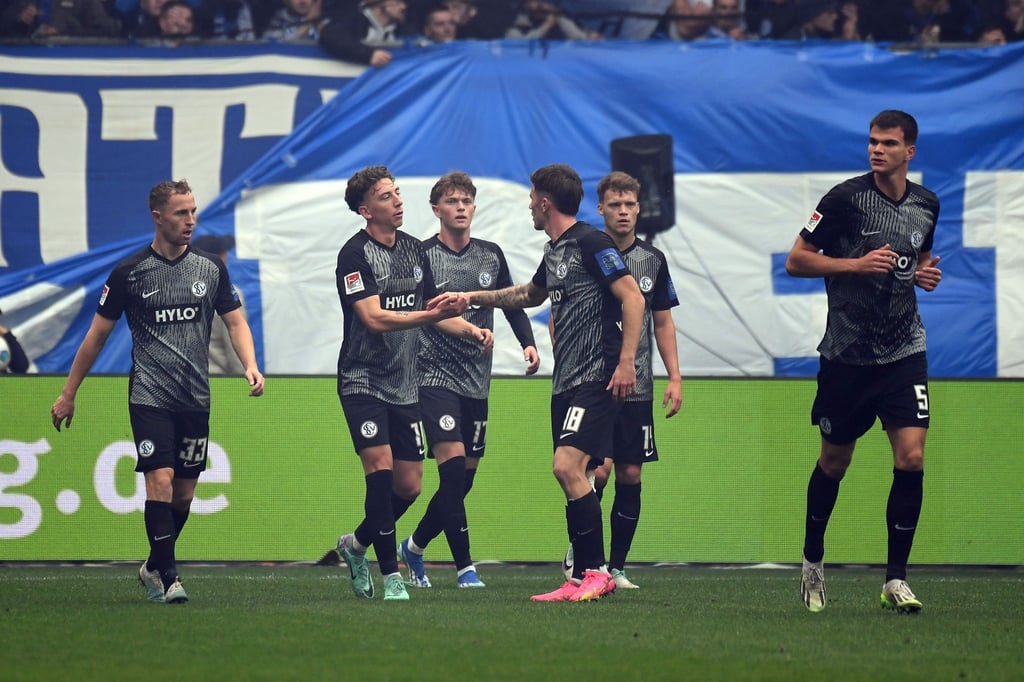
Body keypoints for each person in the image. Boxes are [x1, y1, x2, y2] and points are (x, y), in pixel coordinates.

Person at [50, 179, 265, 605]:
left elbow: (236, 321)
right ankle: (169, 577)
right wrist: (69, 392)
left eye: (193, 212)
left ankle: (152, 564)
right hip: (149, 394)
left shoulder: (211, 268)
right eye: (181, 213)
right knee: (160, 482)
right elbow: (95, 336)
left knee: (184, 493)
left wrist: (251, 365)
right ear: (158, 217)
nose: (190, 221)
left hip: (195, 398)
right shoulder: (130, 273)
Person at [464, 164, 645, 602]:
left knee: (566, 466)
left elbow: (634, 297)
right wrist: (471, 297)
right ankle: (581, 578)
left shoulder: (591, 242)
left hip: (597, 376)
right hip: (565, 381)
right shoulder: (555, 251)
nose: (528, 204)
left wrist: (626, 364)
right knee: (574, 474)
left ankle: (597, 572)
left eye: (531, 197)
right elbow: (529, 295)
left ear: (545, 202)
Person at [785, 110, 942, 614]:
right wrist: (853, 262)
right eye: (873, 142)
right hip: (848, 356)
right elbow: (795, 260)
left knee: (912, 457)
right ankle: (812, 563)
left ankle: (896, 579)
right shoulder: (844, 200)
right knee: (835, 461)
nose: (877, 150)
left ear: (909, 152)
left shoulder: (926, 204)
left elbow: (915, 259)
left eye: (889, 143)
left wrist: (922, 275)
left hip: (904, 350)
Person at [332, 165, 493, 602]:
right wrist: (431, 316)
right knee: (381, 475)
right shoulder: (354, 255)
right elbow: (373, 318)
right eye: (387, 196)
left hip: (406, 386)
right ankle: (391, 576)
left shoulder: (412, 250)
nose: (398, 201)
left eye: (398, 193)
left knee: (410, 486)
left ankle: (356, 544)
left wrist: (470, 330)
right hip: (363, 380)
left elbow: (432, 308)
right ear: (366, 210)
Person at [395, 171, 540, 589]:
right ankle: (465, 568)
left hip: (477, 381)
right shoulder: (421, 255)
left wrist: (528, 343)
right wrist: (472, 330)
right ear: (436, 209)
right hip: (432, 377)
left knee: (465, 480)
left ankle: (416, 547)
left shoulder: (490, 255)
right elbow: (427, 311)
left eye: (467, 201)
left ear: (474, 208)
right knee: (453, 472)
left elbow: (512, 301)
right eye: (452, 201)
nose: (460, 207)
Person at [562, 171, 682, 590]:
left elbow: (662, 321)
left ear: (639, 207)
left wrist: (675, 377)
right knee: (595, 469)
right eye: (615, 205)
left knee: (630, 471)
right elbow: (561, 316)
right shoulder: (586, 250)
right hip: (596, 379)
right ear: (600, 209)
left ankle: (616, 567)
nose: (624, 212)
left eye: (630, 204)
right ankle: (583, 555)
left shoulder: (653, 260)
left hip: (639, 385)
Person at [191, 235, 247, 375]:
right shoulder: (228, 294)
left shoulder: (173, 293)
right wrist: (243, 381)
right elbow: (236, 348)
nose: (226, 257)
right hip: (216, 381)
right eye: (222, 253)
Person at [318, 0, 412, 68]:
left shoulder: (402, 29)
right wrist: (369, 54)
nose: (403, 7)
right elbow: (330, 35)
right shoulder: (353, 20)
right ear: (378, 4)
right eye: (397, 2)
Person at [505, 0, 602, 40]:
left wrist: (588, 36)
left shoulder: (559, 19)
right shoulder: (518, 27)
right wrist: (545, 27)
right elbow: (519, 46)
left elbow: (578, 35)